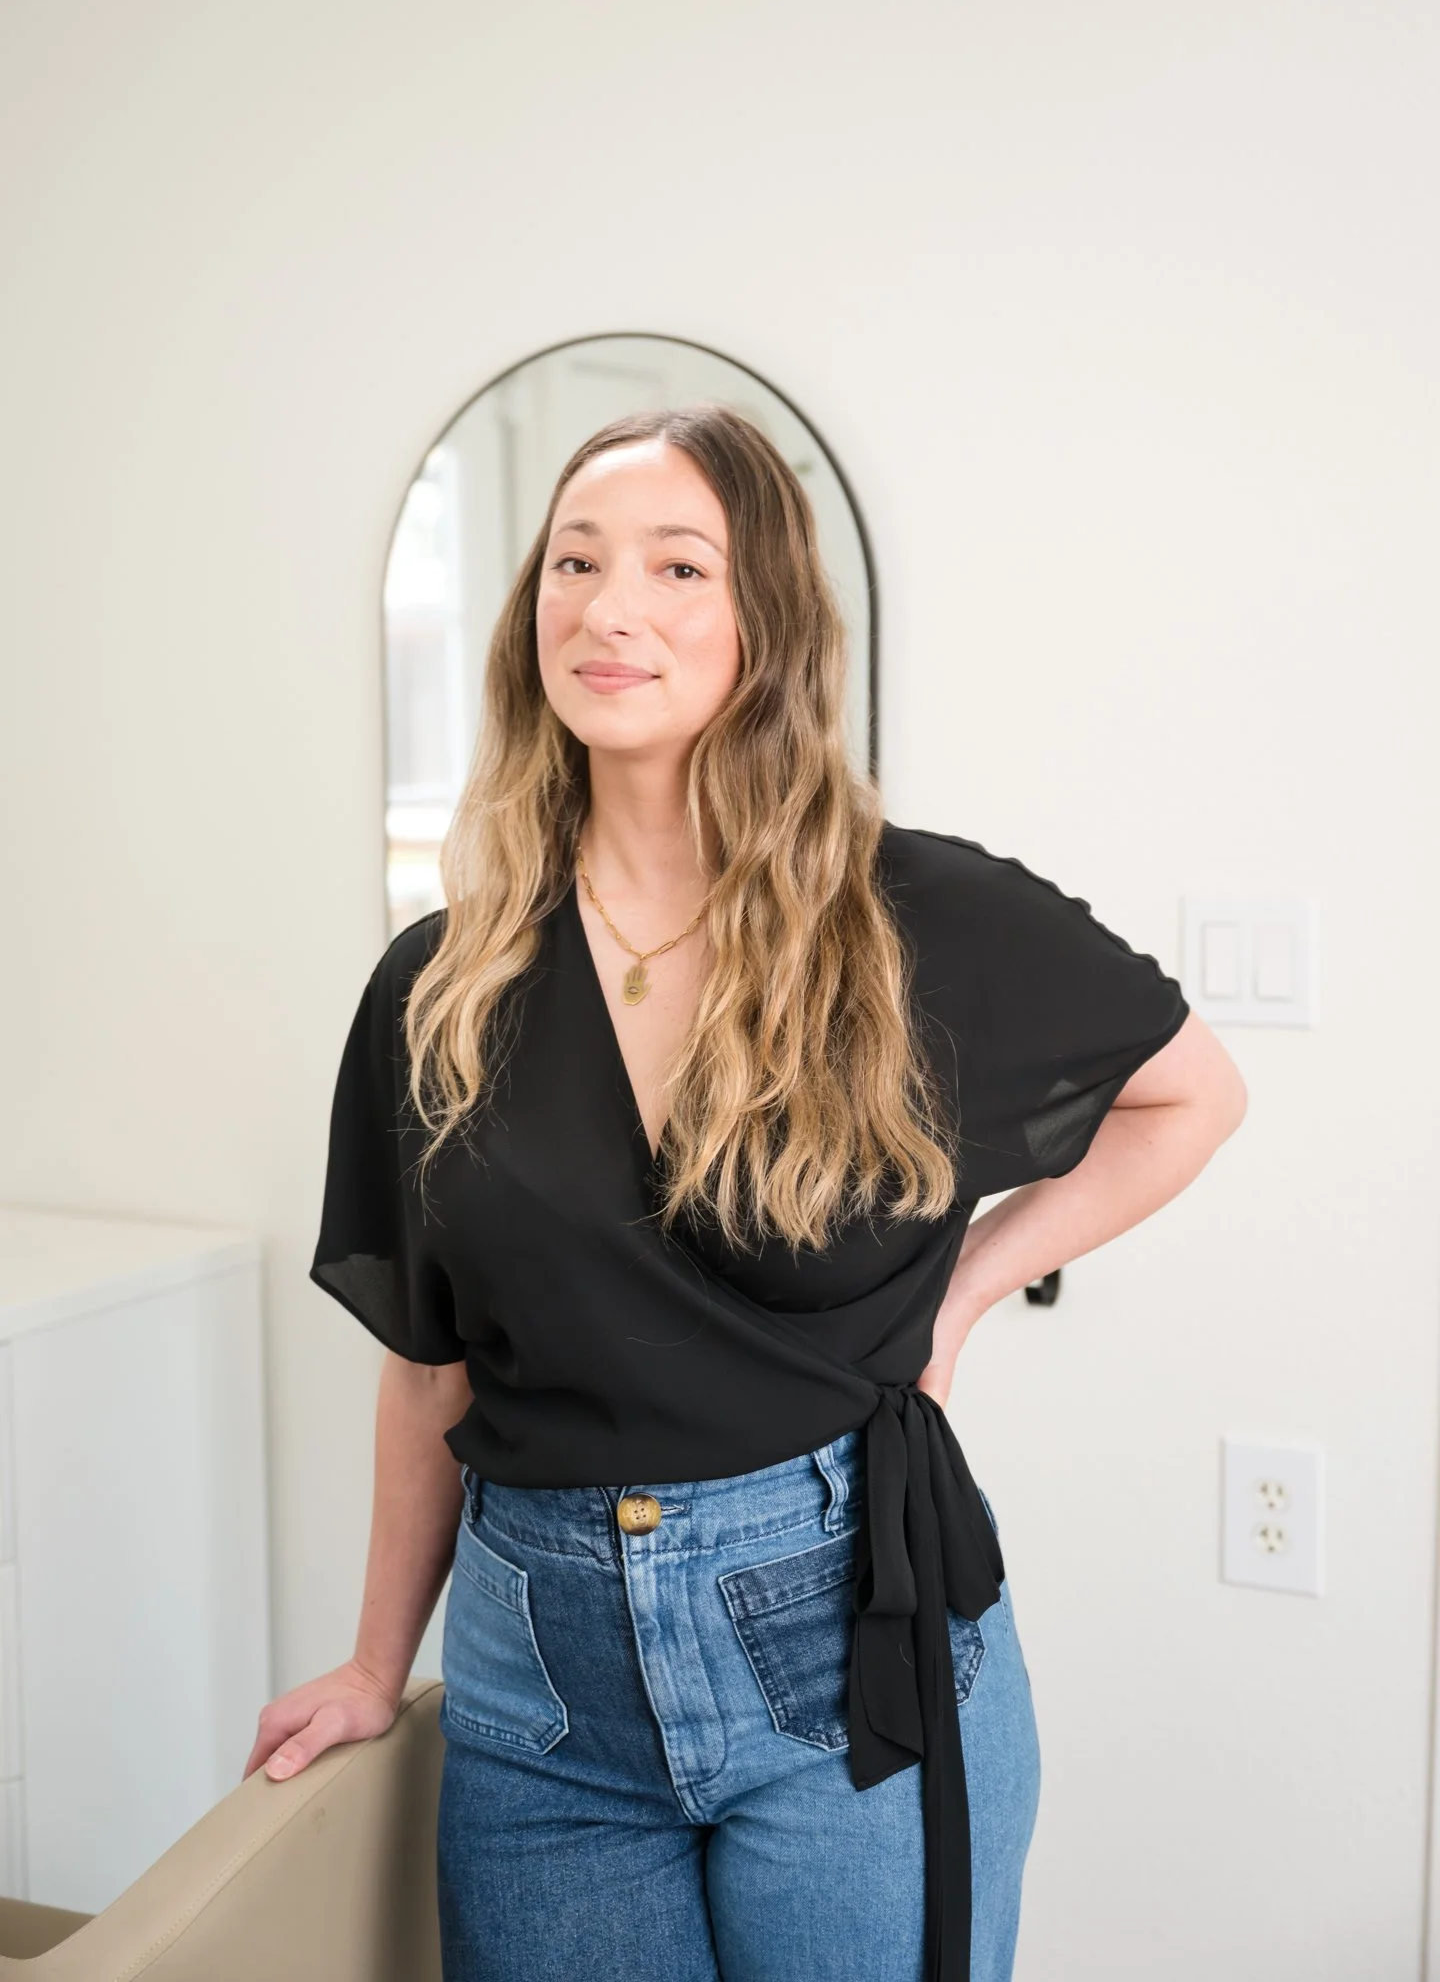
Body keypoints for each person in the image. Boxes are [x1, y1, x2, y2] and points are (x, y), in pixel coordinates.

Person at [245, 402, 1247, 1982]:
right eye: (574, 561)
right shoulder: (436, 985)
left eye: (676, 565)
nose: (608, 605)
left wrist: (975, 1282)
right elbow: (430, 1365)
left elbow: (1194, 1093)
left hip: (845, 1650)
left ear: (762, 620)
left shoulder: (917, 919)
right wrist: (379, 1666)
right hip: (540, 1700)